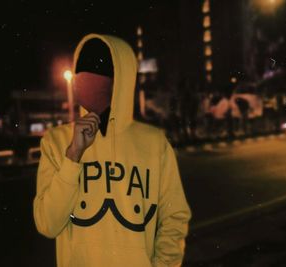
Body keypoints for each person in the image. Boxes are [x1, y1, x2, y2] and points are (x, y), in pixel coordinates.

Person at [33, 34, 192, 267]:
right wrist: (73, 156)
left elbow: (174, 217)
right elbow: (48, 224)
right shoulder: (56, 142)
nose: (88, 77)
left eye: (101, 69)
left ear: (122, 77)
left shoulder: (154, 143)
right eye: (83, 69)